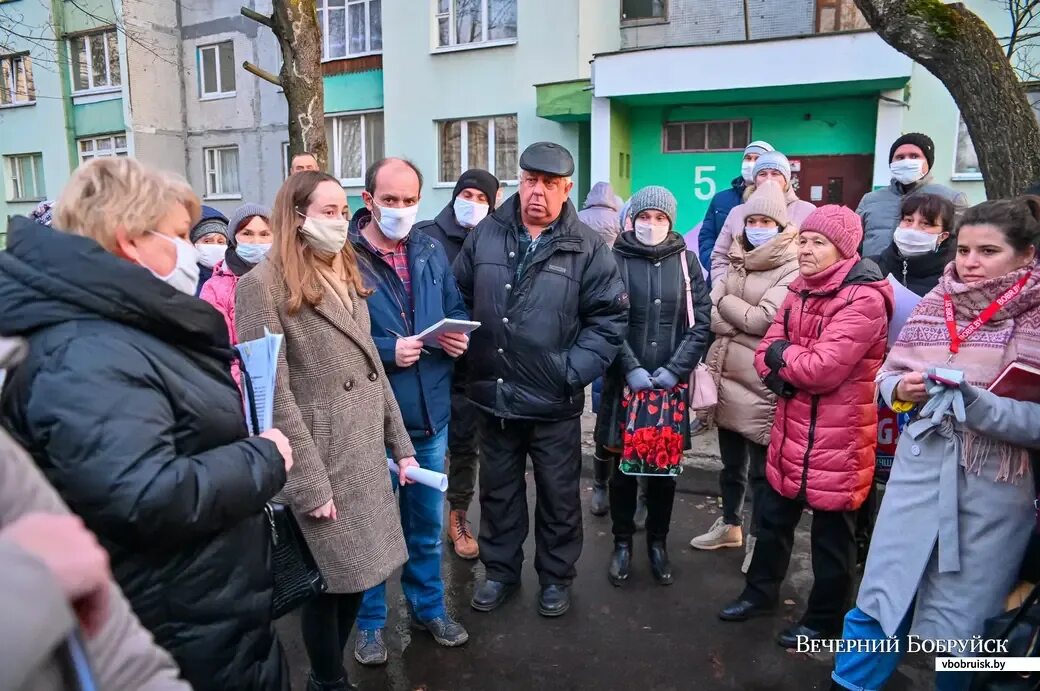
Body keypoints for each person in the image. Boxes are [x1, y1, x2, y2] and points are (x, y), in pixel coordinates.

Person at [0, 158, 292, 691]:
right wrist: (263, 457)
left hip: (206, 611)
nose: (193, 250)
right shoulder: (85, 352)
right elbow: (141, 496)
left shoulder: (123, 328)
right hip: (175, 629)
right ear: (129, 239)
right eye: (180, 235)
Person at [831, 197, 1040, 691]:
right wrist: (901, 389)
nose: (969, 261)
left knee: (965, 626)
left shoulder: (1034, 316)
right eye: (965, 249)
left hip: (993, 487)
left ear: (1027, 254)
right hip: (919, 471)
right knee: (881, 598)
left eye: (988, 250)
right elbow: (890, 372)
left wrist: (975, 403)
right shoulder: (935, 301)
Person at [235, 170, 419, 691]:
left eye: (343, 211)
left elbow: (372, 369)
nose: (340, 222)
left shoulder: (344, 267)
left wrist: (401, 448)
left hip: (361, 453)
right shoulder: (260, 287)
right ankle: (327, 679)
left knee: (360, 579)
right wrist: (308, 485)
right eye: (328, 211)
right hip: (320, 457)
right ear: (296, 216)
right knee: (328, 585)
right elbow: (271, 394)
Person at [454, 141, 628, 617]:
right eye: (531, 181)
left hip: (554, 402)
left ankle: (555, 578)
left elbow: (609, 322)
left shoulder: (587, 247)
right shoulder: (486, 234)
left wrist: (569, 372)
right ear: (519, 181)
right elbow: (458, 296)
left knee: (558, 496)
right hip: (495, 397)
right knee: (499, 494)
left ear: (567, 189)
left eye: (550, 184)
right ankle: (501, 573)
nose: (539, 192)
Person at [717, 205, 893, 649]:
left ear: (843, 249)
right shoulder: (798, 288)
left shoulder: (865, 298)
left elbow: (822, 369)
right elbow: (765, 351)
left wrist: (782, 359)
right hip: (792, 428)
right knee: (772, 521)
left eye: (819, 243)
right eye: (805, 240)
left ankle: (824, 620)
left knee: (832, 540)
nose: (807, 250)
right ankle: (759, 595)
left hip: (842, 440)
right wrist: (781, 361)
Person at [349, 158, 470, 665]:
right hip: (372, 417)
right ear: (369, 199)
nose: (400, 210)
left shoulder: (428, 248)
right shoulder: (343, 258)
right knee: (373, 527)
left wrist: (456, 334)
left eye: (409, 200)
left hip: (428, 411)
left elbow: (453, 303)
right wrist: (384, 348)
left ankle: (428, 607)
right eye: (390, 200)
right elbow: (331, 339)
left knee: (423, 523)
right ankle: (371, 625)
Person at [594, 185, 710, 587]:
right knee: (624, 471)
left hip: (669, 389)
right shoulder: (613, 259)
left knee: (664, 473)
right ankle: (622, 543)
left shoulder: (687, 262)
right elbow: (605, 319)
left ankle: (658, 544)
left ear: (670, 222)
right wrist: (630, 367)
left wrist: (676, 371)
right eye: (645, 217)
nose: (652, 224)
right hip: (625, 385)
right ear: (632, 219)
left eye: (660, 218)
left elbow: (701, 323)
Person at [692, 182, 800, 574]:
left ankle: (758, 537)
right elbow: (709, 313)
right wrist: (731, 314)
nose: (758, 226)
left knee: (760, 471)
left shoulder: (791, 265)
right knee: (730, 465)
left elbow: (765, 319)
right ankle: (730, 525)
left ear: (780, 225)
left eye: (766, 220)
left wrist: (726, 309)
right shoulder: (736, 256)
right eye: (752, 219)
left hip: (758, 383)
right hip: (725, 377)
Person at [414, 167, 500, 560]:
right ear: (454, 196)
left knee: (466, 446)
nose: (475, 204)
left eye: (483, 199)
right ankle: (420, 519)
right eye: (469, 194)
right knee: (424, 444)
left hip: (472, 364)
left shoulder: (494, 239)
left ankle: (458, 516)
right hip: (428, 362)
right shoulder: (427, 236)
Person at [710, 151, 816, 286]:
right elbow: (720, 256)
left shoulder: (807, 211)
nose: (769, 179)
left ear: (786, 179)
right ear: (755, 179)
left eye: (775, 173)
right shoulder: (737, 213)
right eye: (762, 174)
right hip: (738, 295)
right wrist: (722, 286)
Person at [858, 133, 968, 257]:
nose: (906, 161)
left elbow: (963, 246)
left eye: (914, 156)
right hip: (873, 274)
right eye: (900, 157)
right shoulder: (870, 200)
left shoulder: (951, 198)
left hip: (927, 274)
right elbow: (854, 243)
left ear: (928, 162)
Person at [200, 203, 273, 386]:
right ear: (234, 238)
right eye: (247, 234)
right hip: (245, 390)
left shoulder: (287, 278)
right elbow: (217, 351)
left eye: (264, 234)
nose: (256, 242)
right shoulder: (215, 287)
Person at [698, 140, 774, 277]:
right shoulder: (720, 199)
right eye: (748, 158)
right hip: (721, 277)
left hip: (761, 278)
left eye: (757, 159)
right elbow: (707, 236)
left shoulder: (776, 202)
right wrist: (714, 265)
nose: (751, 163)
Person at [869, 193, 956, 297]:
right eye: (908, 220)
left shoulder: (951, 280)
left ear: (943, 236)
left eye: (926, 223)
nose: (913, 229)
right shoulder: (870, 267)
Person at [191, 205, 230, 295]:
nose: (215, 246)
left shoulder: (234, 280)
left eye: (220, 242)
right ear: (193, 243)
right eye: (207, 241)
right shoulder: (185, 281)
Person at [578, 181, 623, 247]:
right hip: (610, 255)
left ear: (591, 194)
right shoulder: (618, 218)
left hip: (586, 254)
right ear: (612, 196)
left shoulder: (580, 216)